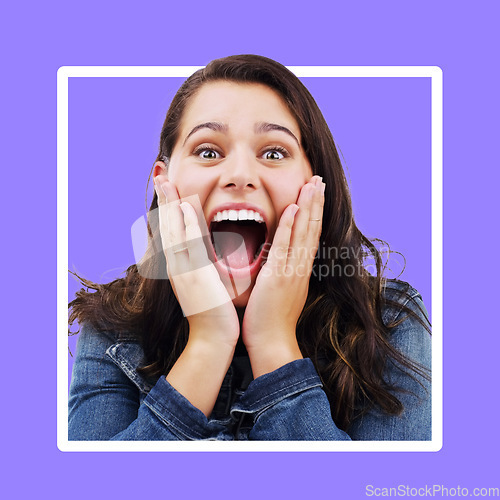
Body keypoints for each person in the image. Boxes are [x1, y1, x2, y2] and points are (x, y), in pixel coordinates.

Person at [68, 54, 431, 441]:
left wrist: (274, 341)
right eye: (208, 151)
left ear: (315, 185)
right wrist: (208, 338)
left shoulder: (389, 323)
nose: (240, 175)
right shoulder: (112, 328)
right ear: (164, 182)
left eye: (274, 152)